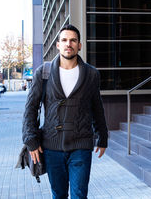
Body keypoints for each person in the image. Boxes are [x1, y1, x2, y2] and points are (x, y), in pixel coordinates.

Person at [22, 24, 108, 199]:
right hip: (52, 146)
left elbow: (97, 107)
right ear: (58, 45)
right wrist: (30, 138)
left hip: (81, 145)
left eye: (73, 40)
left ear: (79, 45)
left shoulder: (91, 74)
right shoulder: (43, 73)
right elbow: (30, 108)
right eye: (64, 40)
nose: (69, 44)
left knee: (79, 194)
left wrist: (103, 136)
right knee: (58, 194)